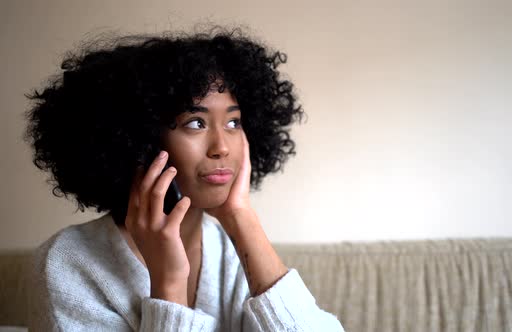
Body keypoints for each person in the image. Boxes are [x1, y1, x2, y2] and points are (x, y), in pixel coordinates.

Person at [23, 26, 345, 331]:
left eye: (233, 123)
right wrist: (169, 284)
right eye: (195, 123)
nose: (221, 147)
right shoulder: (68, 265)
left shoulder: (230, 250)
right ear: (143, 140)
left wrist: (241, 218)